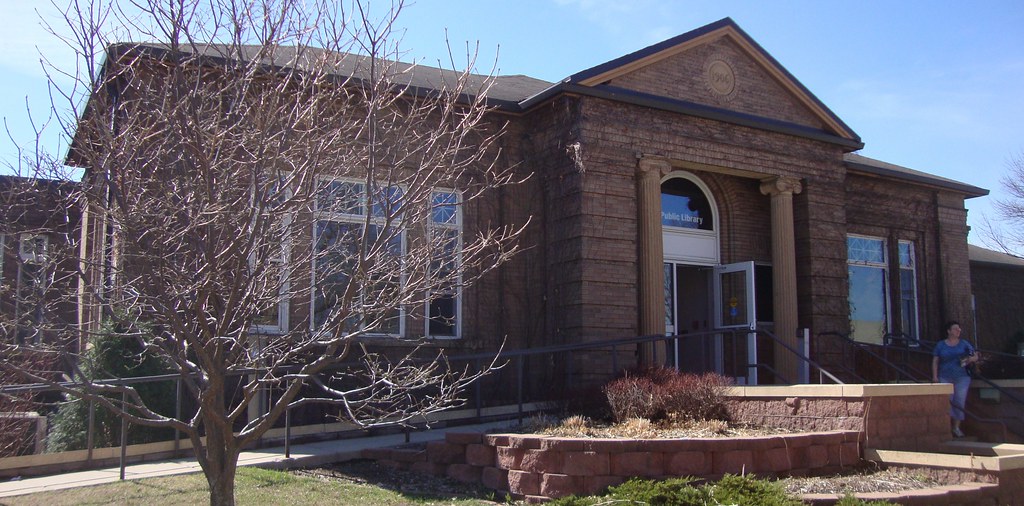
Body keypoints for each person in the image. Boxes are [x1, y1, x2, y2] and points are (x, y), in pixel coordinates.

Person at [931, 321, 980, 437]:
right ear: (949, 331)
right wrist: (935, 376)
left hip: (961, 377)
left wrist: (970, 360)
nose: (958, 331)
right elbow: (935, 360)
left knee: (959, 401)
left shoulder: (964, 344)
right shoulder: (941, 345)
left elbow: (975, 355)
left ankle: (956, 427)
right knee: (947, 401)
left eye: (959, 329)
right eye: (955, 329)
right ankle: (946, 427)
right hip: (945, 376)